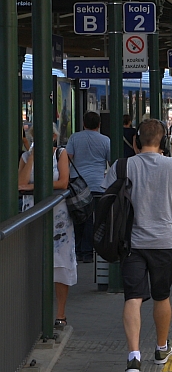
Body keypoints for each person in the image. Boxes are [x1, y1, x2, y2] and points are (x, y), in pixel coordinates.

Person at [106, 119, 172, 372]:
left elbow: (107, 195)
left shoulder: (124, 165)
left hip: (131, 243)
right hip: (164, 242)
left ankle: (133, 356)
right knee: (161, 296)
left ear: (135, 142)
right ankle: (161, 349)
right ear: (164, 142)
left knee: (133, 297)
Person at [18, 124, 74, 330]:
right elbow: (19, 182)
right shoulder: (25, 158)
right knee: (32, 259)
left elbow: (63, 182)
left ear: (53, 136)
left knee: (60, 261)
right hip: (31, 213)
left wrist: (33, 187)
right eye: (35, 135)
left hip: (58, 216)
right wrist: (32, 155)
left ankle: (60, 313)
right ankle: (35, 310)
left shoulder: (60, 153)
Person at [66, 111, 110, 263]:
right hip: (97, 184)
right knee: (93, 219)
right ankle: (88, 252)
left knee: (78, 217)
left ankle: (77, 250)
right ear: (99, 124)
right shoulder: (105, 140)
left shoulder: (74, 138)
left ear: (83, 123)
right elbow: (110, 161)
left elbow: (68, 159)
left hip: (77, 186)